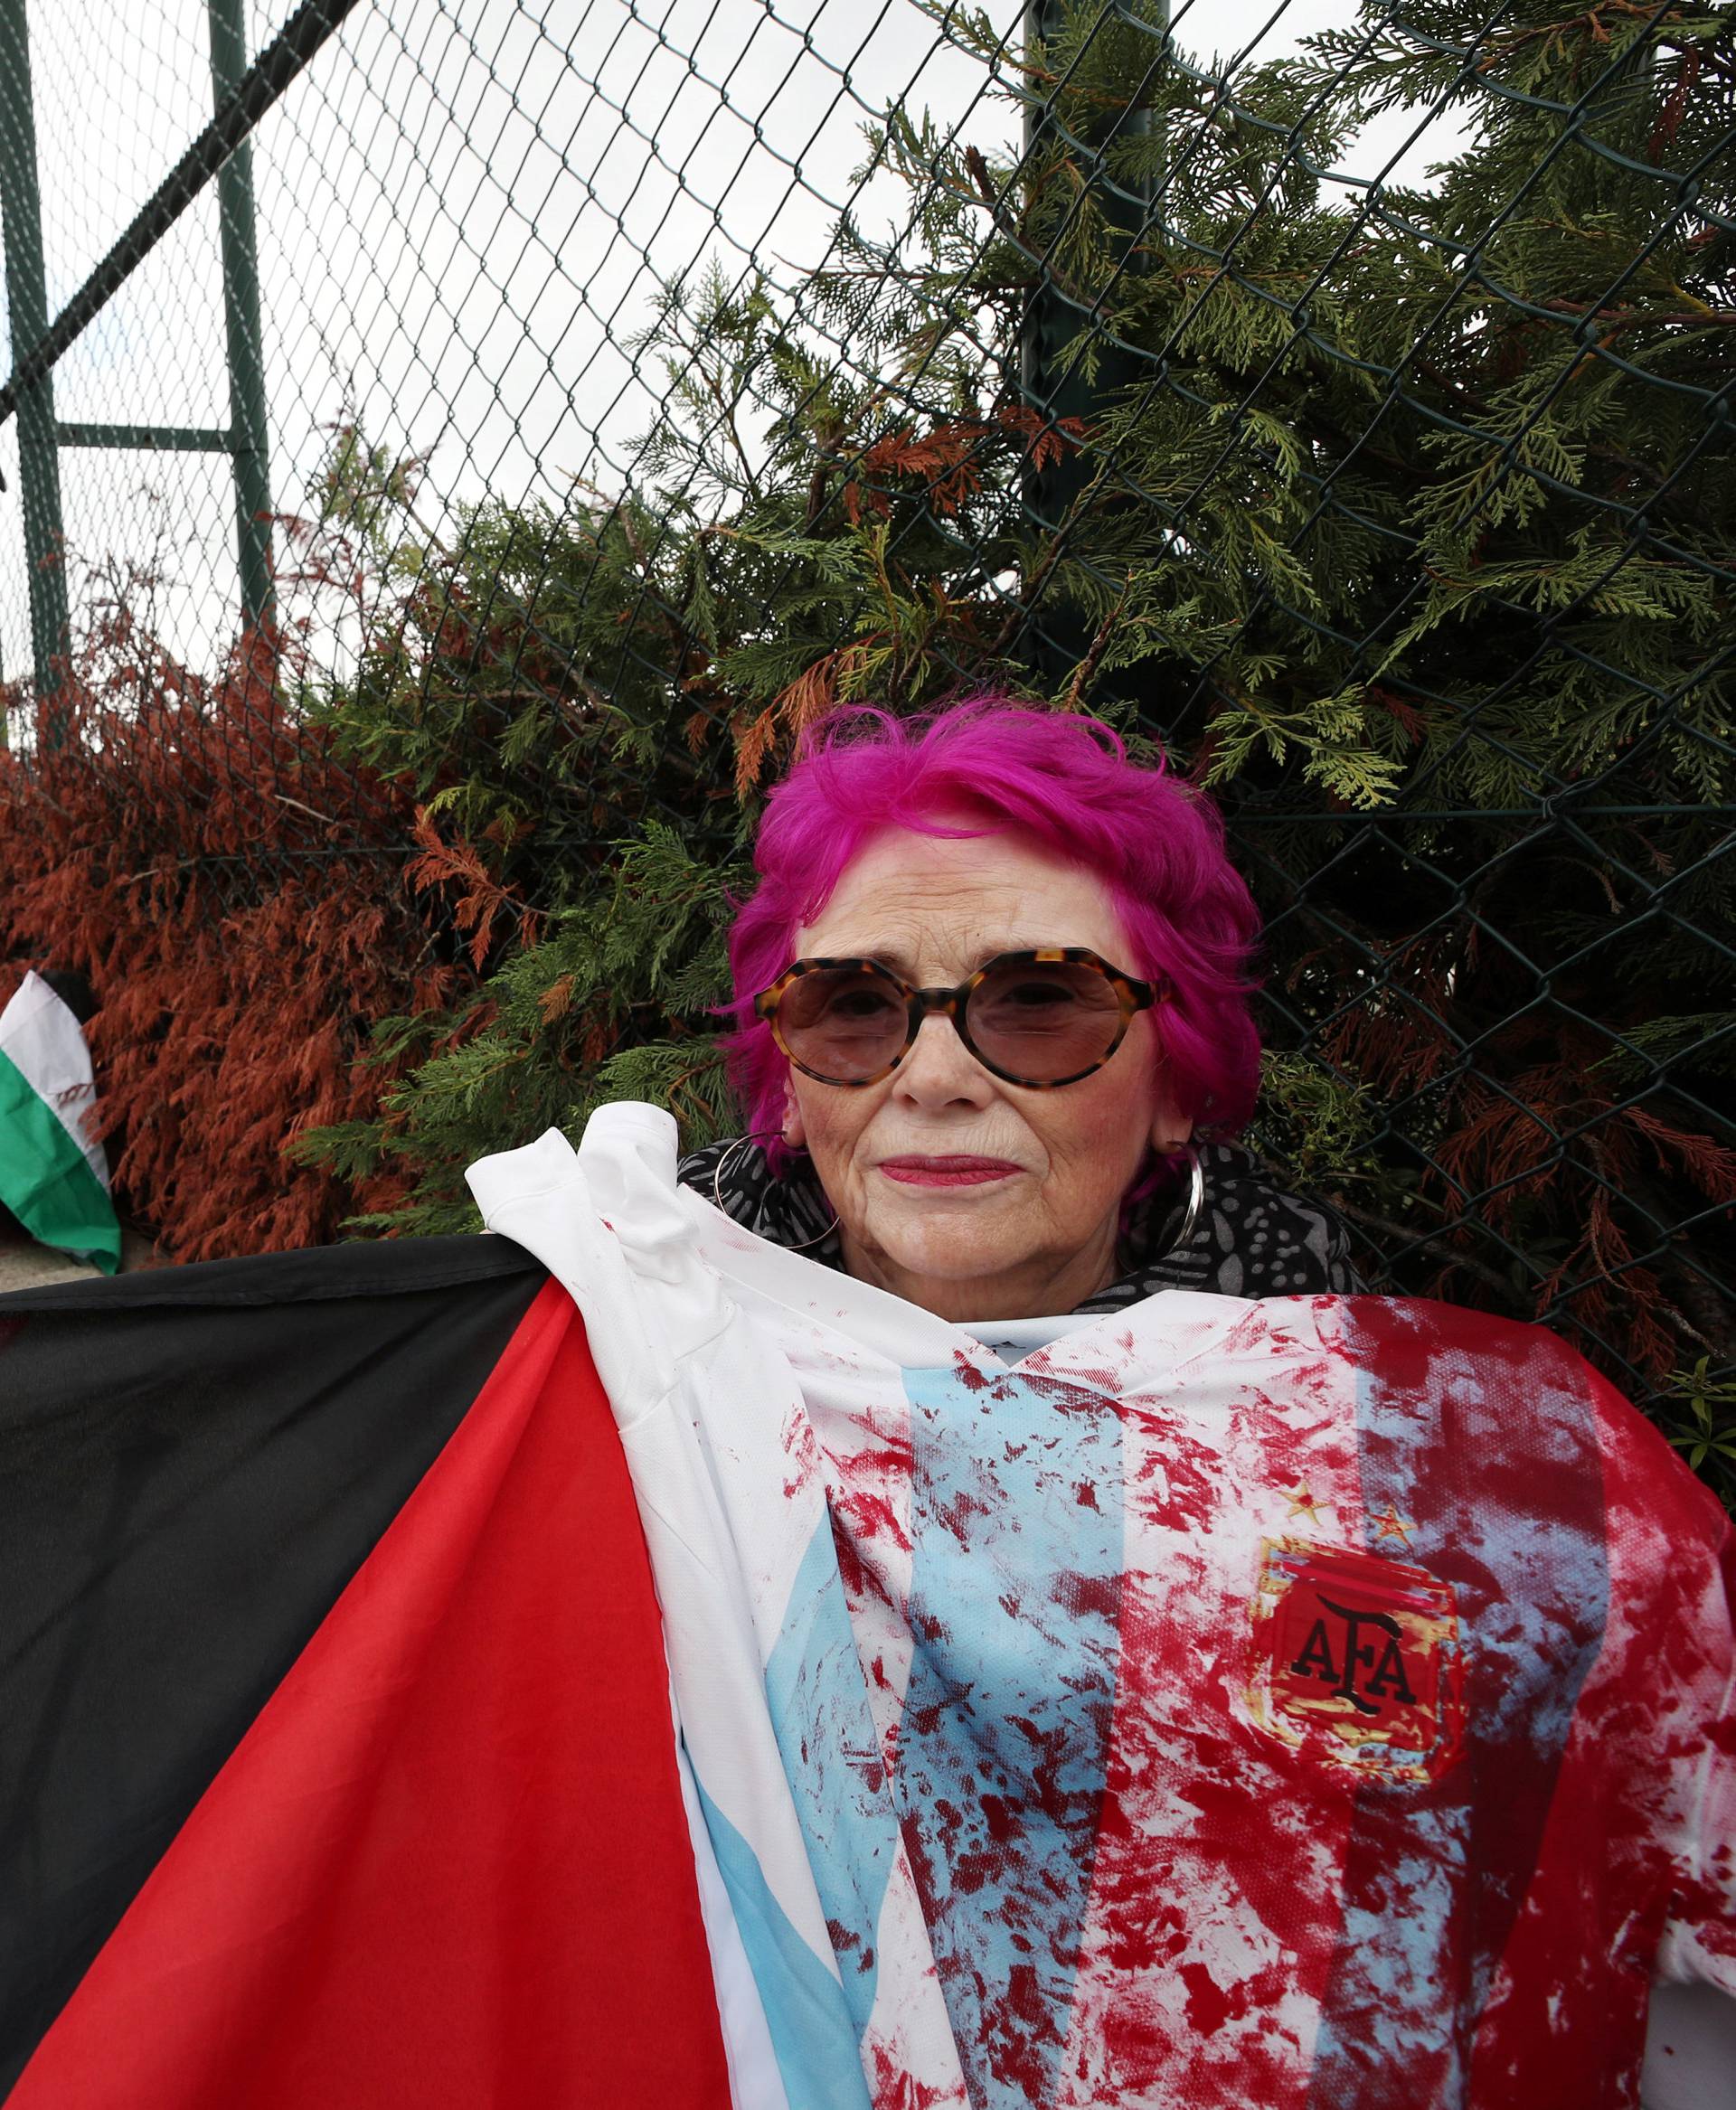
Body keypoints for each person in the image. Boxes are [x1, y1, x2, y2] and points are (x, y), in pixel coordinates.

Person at [3, 699, 1730, 2110]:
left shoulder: (1431, 1479)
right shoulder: (611, 1373)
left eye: (1041, 1002)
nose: (935, 1070)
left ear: (1182, 1083)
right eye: (854, 1008)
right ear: (790, 1076)